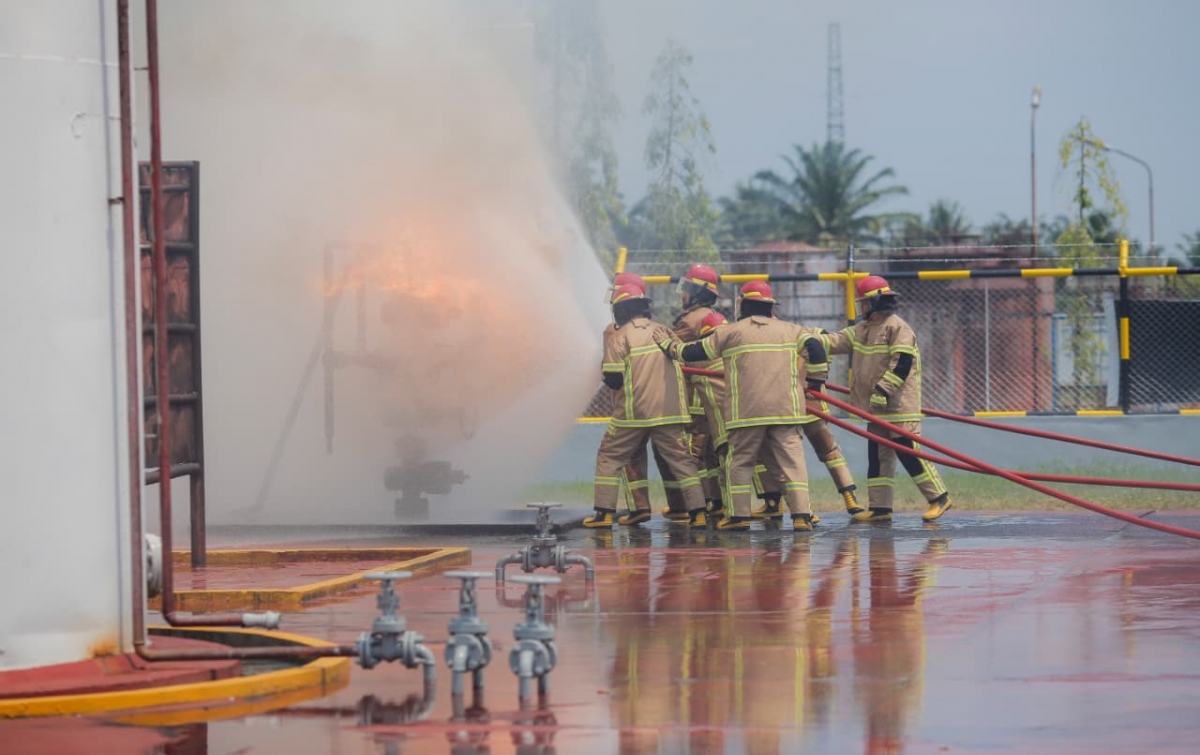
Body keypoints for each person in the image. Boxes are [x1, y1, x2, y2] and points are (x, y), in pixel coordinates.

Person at [661, 281, 827, 532]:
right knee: (792, 463)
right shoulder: (793, 330)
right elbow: (816, 348)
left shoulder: (730, 332)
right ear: (769, 306)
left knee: (740, 462)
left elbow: (695, 351)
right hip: (786, 411)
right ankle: (802, 516)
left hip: (747, 413)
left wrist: (669, 347)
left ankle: (739, 517)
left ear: (744, 304)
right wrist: (816, 380)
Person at [824, 275, 952, 523]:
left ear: (874, 302)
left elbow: (902, 364)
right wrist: (813, 337)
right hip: (876, 408)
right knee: (878, 457)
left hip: (898, 406)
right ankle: (880, 508)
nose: (861, 308)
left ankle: (940, 497)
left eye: (863, 303)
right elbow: (837, 341)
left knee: (908, 453)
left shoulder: (898, 327)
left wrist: (883, 391)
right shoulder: (864, 329)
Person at [586, 284, 708, 528]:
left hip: (633, 415)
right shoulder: (663, 331)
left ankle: (604, 514)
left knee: (610, 456)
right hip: (669, 412)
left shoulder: (620, 337)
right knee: (682, 461)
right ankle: (699, 513)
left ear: (621, 309)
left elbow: (614, 378)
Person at [660, 263, 725, 521]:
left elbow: (670, 352)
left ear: (698, 292)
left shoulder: (689, 321)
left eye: (686, 288)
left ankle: (692, 507)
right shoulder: (712, 317)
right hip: (712, 397)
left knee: (691, 455)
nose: (683, 294)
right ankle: (715, 502)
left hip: (696, 398)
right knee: (711, 455)